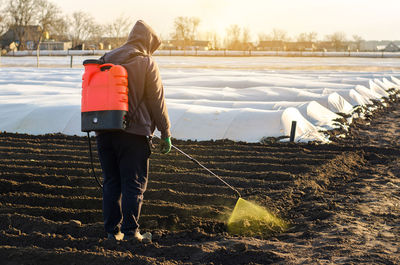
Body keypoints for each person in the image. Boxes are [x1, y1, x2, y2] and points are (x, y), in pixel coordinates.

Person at [96, 20, 171, 242]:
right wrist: (165, 133)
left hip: (104, 130)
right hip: (134, 134)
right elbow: (156, 100)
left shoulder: (106, 58)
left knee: (111, 181)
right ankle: (131, 233)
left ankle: (112, 232)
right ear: (148, 42)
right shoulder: (146, 62)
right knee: (133, 182)